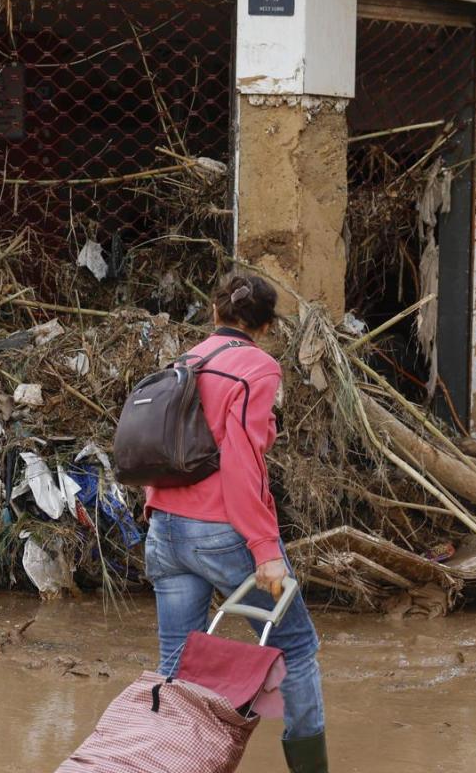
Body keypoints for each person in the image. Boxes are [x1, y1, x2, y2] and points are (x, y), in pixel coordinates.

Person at [143, 273, 328, 773]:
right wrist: (265, 549)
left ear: (215, 313)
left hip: (163, 528)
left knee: (177, 665)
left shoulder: (185, 361)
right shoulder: (257, 367)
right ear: (265, 326)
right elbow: (243, 463)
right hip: (221, 534)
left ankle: (164, 763)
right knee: (296, 648)